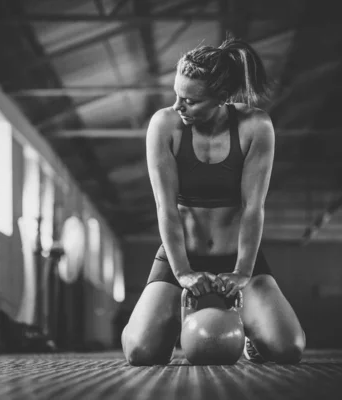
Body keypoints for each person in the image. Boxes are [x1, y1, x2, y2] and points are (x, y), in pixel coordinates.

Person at [121, 37, 306, 365]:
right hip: (181, 259)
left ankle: (252, 336)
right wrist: (183, 274)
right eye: (176, 95)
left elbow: (253, 208)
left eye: (190, 101)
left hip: (237, 259)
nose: (178, 106)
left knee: (289, 347)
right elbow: (166, 209)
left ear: (221, 98)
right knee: (139, 352)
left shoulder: (255, 126)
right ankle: (170, 329)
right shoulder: (164, 126)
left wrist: (242, 273)